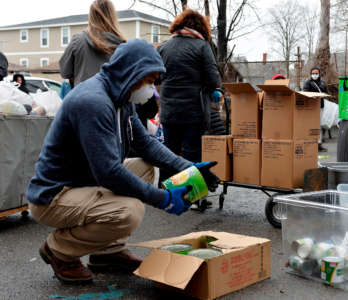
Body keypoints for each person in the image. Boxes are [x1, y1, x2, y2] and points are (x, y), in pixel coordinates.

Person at [26, 39, 219, 283]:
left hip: (82, 181)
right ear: (132, 72)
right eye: (149, 81)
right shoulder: (93, 102)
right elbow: (109, 172)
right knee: (129, 211)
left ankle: (108, 253)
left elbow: (146, 144)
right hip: (54, 195)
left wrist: (188, 167)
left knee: (145, 168)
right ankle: (59, 250)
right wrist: (163, 199)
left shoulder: (120, 98)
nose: (152, 90)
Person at [157, 9, 221, 179]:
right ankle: (192, 197)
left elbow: (156, 78)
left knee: (169, 153)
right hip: (193, 113)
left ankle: (165, 194)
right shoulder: (202, 46)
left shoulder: (163, 47)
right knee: (192, 154)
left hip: (169, 111)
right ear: (201, 28)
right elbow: (214, 79)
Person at [59, 0, 126, 88]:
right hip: (111, 100)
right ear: (113, 16)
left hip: (82, 98)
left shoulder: (77, 41)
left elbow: (65, 72)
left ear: (91, 16)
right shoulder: (123, 46)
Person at [303, 67, 329, 152]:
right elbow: (305, 93)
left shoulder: (322, 83)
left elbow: (326, 93)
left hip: (320, 106)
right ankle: (310, 144)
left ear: (319, 74)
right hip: (310, 107)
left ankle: (319, 144)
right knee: (310, 125)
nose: (315, 75)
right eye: (313, 73)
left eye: (316, 73)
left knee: (319, 125)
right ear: (310, 74)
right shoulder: (308, 82)